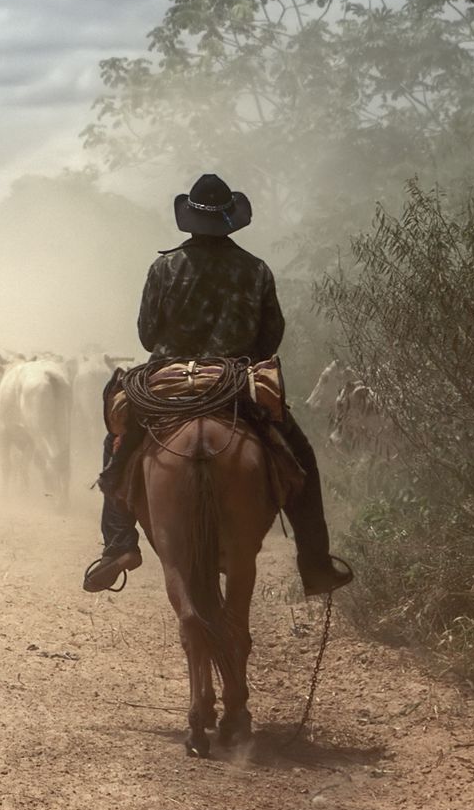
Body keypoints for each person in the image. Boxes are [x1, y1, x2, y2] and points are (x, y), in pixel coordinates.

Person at [82, 173, 354, 597]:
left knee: (117, 445)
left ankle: (119, 544)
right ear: (231, 221)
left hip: (168, 384)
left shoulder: (164, 267)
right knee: (300, 457)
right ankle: (315, 563)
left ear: (189, 220)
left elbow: (148, 336)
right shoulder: (256, 270)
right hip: (234, 385)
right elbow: (270, 338)